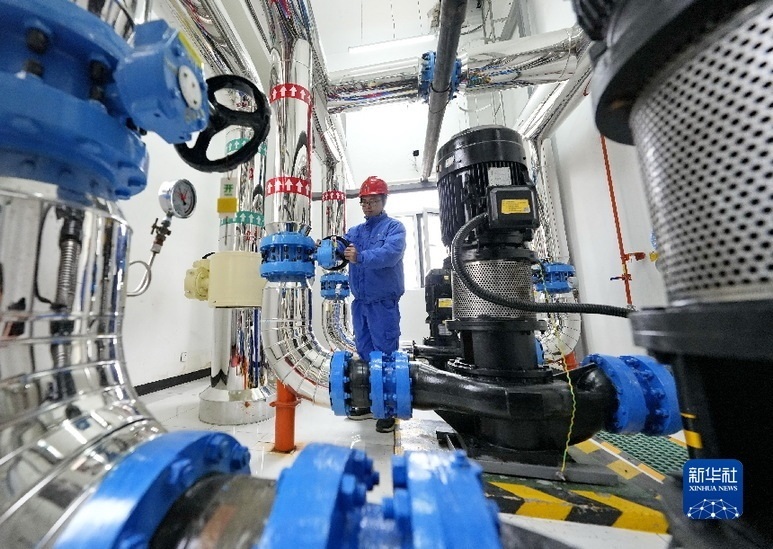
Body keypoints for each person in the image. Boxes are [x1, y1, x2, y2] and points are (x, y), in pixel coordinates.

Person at [343, 176, 406, 433]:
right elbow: (340, 246)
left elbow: (390, 254)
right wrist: (324, 247)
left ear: (384, 201)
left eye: (373, 201)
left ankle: (388, 409)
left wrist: (361, 256)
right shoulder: (356, 232)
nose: (368, 206)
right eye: (364, 202)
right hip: (361, 304)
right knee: (365, 354)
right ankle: (369, 402)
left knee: (386, 355)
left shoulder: (394, 228)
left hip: (383, 304)